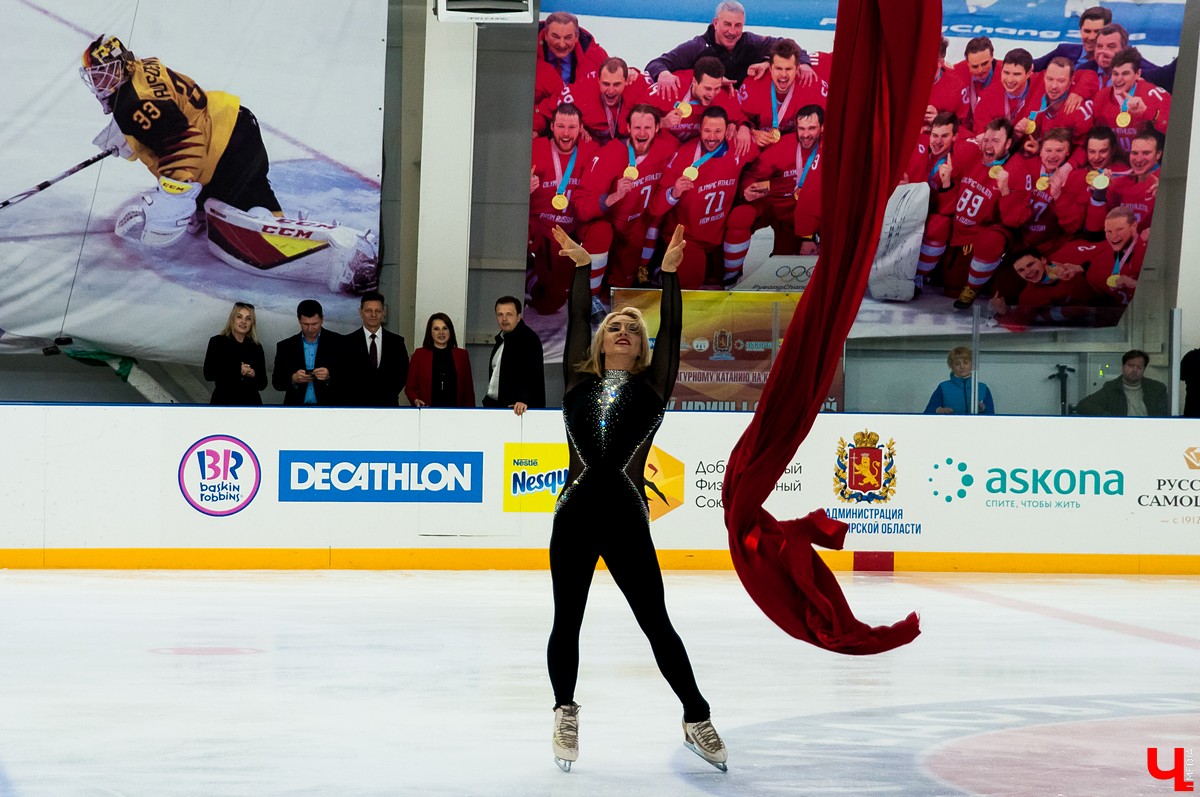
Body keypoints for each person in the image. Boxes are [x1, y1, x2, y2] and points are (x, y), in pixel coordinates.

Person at [545, 223, 727, 773]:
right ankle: (564, 709)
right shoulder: (577, 384)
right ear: (599, 343)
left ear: (643, 345)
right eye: (615, 324)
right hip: (574, 517)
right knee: (566, 621)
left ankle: (696, 716)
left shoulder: (654, 387)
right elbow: (577, 317)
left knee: (656, 623)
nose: (622, 328)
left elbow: (673, 327)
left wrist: (669, 276)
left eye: (632, 325)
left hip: (626, 519)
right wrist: (580, 266)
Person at [80, 35, 378, 292]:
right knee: (250, 204)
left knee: (242, 224)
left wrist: (172, 199)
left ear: (122, 66)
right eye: (94, 77)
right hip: (235, 126)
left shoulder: (133, 104)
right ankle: (272, 221)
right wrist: (130, 136)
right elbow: (171, 109)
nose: (98, 84)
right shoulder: (143, 68)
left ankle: (343, 253)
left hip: (222, 150)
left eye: (102, 75)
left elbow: (184, 138)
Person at [574, 104, 679, 315]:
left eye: (648, 127)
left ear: (658, 128)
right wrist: (612, 197)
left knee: (622, 285)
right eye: (637, 127)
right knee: (600, 233)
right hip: (605, 223)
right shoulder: (611, 153)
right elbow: (581, 207)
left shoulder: (668, 148)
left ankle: (630, 279)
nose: (642, 133)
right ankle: (590, 297)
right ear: (628, 128)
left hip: (634, 226)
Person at [649, 107, 755, 288]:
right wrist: (674, 192)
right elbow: (655, 208)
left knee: (744, 214)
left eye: (718, 131)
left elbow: (768, 154)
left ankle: (731, 277)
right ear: (699, 129)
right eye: (707, 130)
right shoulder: (684, 154)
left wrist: (745, 127)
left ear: (727, 130)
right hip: (687, 240)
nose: (712, 137)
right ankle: (661, 271)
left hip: (717, 238)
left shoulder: (738, 145)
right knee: (689, 289)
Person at [645, 0, 812, 99]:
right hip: (711, 111)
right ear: (715, 23)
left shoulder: (750, 42)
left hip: (748, 111)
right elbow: (656, 64)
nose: (732, 32)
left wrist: (803, 64)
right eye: (726, 24)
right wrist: (664, 74)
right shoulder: (697, 47)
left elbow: (789, 45)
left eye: (737, 25)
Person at [528, 103, 599, 315]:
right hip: (539, 227)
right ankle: (528, 271)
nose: (566, 133)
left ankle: (539, 279)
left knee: (552, 301)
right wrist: (521, 189)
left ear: (581, 129)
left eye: (572, 127)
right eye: (560, 126)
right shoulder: (533, 148)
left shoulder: (591, 151)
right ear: (551, 126)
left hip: (568, 232)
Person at [533, 57, 649, 146]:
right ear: (598, 80)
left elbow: (662, 99)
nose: (611, 90)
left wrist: (665, 117)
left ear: (626, 80)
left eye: (617, 84)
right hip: (595, 148)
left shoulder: (638, 83)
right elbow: (543, 110)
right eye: (606, 84)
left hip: (631, 144)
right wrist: (535, 129)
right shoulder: (581, 91)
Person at [1090, 48, 1170, 153]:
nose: (1119, 79)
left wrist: (1147, 113)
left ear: (1138, 74)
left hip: (1149, 162)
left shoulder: (1156, 95)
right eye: (1115, 74)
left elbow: (1176, 133)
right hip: (1116, 162)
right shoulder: (1101, 97)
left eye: (1125, 73)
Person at [341, 291, 409, 407]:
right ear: (360, 312)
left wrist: (387, 393)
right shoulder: (347, 343)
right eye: (368, 311)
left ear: (383, 313)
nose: (373, 315)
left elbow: (402, 374)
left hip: (388, 405)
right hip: (357, 406)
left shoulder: (396, 342)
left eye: (377, 311)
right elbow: (343, 375)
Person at [272, 299, 343, 406]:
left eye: (314, 324)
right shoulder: (285, 346)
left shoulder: (338, 342)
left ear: (322, 319)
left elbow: (350, 379)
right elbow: (277, 383)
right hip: (295, 410)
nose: (310, 329)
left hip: (329, 409)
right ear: (298, 320)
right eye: (305, 324)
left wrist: (329, 376)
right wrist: (293, 378)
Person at [483, 296, 545, 415]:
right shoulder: (501, 339)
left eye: (509, 314)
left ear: (519, 317)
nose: (504, 319)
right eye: (500, 314)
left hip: (516, 411)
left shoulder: (529, 339)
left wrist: (524, 400)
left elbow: (532, 373)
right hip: (494, 406)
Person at [534, 11, 609, 105]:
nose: (562, 44)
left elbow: (615, 75)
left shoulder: (595, 57)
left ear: (576, 37)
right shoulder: (527, 55)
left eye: (568, 37)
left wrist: (631, 73)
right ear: (545, 35)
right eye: (556, 37)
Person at [202, 301, 267, 405]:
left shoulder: (256, 347)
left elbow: (263, 384)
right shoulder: (217, 342)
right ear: (232, 319)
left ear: (252, 323)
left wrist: (253, 374)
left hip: (251, 404)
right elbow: (208, 374)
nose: (243, 321)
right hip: (223, 403)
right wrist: (238, 369)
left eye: (248, 318)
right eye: (239, 317)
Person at [406, 313, 475, 408]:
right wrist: (416, 400)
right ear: (430, 332)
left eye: (445, 328)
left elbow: (468, 390)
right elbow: (410, 388)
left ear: (450, 331)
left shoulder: (462, 355)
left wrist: (470, 414)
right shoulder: (419, 354)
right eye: (436, 329)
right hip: (427, 411)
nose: (441, 332)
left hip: (456, 413)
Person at [1075, 349, 1169, 416]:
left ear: (1144, 369)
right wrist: (1111, 418)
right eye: (1131, 365)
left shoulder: (1157, 389)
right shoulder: (1111, 388)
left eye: (1139, 367)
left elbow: (1163, 418)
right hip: (1120, 433)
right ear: (1123, 367)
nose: (1135, 370)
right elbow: (1084, 405)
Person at [924, 346, 995, 414]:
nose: (962, 366)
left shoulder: (982, 388)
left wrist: (983, 408)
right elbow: (928, 412)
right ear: (951, 366)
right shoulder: (943, 387)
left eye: (966, 363)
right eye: (957, 364)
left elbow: (992, 416)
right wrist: (938, 410)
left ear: (972, 364)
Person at [1181, 348, 1200, 418]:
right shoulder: (1192, 356)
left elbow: (1180, 376)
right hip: (1193, 406)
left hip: (1193, 406)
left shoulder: (1191, 356)